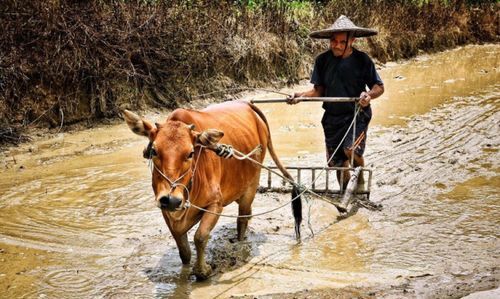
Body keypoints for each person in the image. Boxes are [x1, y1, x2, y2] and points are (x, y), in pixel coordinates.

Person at [287, 15, 384, 191]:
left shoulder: (363, 60)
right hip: (332, 117)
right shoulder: (322, 60)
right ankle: (345, 192)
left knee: (350, 149)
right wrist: (300, 96)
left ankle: (360, 180)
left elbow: (379, 87)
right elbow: (318, 91)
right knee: (336, 163)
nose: (337, 46)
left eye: (342, 42)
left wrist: (368, 96)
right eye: (334, 41)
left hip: (356, 114)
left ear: (352, 41)